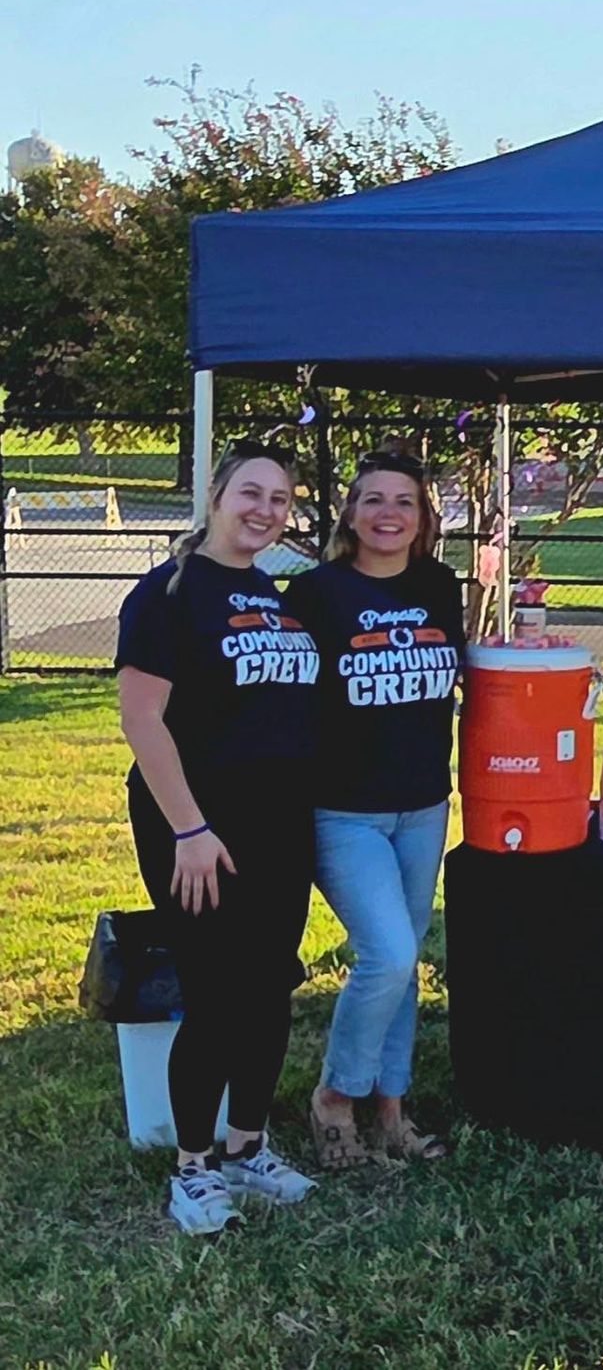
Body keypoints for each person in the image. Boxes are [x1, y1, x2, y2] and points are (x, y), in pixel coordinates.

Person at [116, 441, 322, 1235]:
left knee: (270, 986)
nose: (265, 509)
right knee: (215, 993)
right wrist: (190, 830)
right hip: (197, 828)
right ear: (216, 493)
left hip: (278, 824)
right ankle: (195, 1169)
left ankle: (249, 1146)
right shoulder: (168, 593)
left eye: (280, 498)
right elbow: (142, 721)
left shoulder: (273, 593)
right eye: (251, 491)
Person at [284, 450, 465, 1169]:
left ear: (422, 520)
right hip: (344, 809)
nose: (389, 514)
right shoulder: (314, 594)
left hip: (423, 804)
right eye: (374, 501)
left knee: (408, 958)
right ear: (351, 514)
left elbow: (463, 673)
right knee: (387, 953)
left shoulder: (440, 586)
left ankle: (391, 1106)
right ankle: (336, 1095)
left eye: (405, 502)